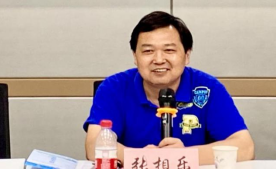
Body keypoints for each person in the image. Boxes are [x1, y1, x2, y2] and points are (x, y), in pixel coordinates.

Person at [84, 11, 255, 165]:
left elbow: (245, 147)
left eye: (169, 50)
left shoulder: (207, 89)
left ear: (187, 55)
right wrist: (146, 158)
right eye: (148, 51)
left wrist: (183, 156)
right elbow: (93, 146)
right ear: (135, 56)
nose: (159, 60)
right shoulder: (113, 88)